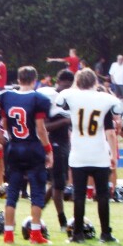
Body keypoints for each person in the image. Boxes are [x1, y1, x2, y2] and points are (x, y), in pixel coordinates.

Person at [56, 68, 123, 243]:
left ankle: (77, 234)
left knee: (79, 195)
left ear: (77, 83)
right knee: (102, 195)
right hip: (99, 153)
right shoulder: (105, 99)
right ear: (95, 82)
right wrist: (113, 154)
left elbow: (60, 101)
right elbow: (114, 120)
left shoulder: (71, 96)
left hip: (79, 153)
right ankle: (106, 233)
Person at [0, 66, 53, 244]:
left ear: (19, 80)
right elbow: (40, 129)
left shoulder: (6, 97)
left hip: (14, 147)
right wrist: (48, 150)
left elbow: (4, 125)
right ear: (35, 80)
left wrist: (6, 140)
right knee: (37, 191)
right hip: (33, 147)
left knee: (12, 191)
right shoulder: (38, 98)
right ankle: (35, 234)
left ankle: (8, 234)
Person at [39, 69, 74, 232]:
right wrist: (66, 120)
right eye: (64, 86)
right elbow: (45, 126)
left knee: (57, 183)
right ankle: (62, 221)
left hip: (64, 143)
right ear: (58, 83)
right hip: (54, 143)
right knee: (58, 185)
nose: (66, 89)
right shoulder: (50, 98)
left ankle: (37, 212)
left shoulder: (68, 98)